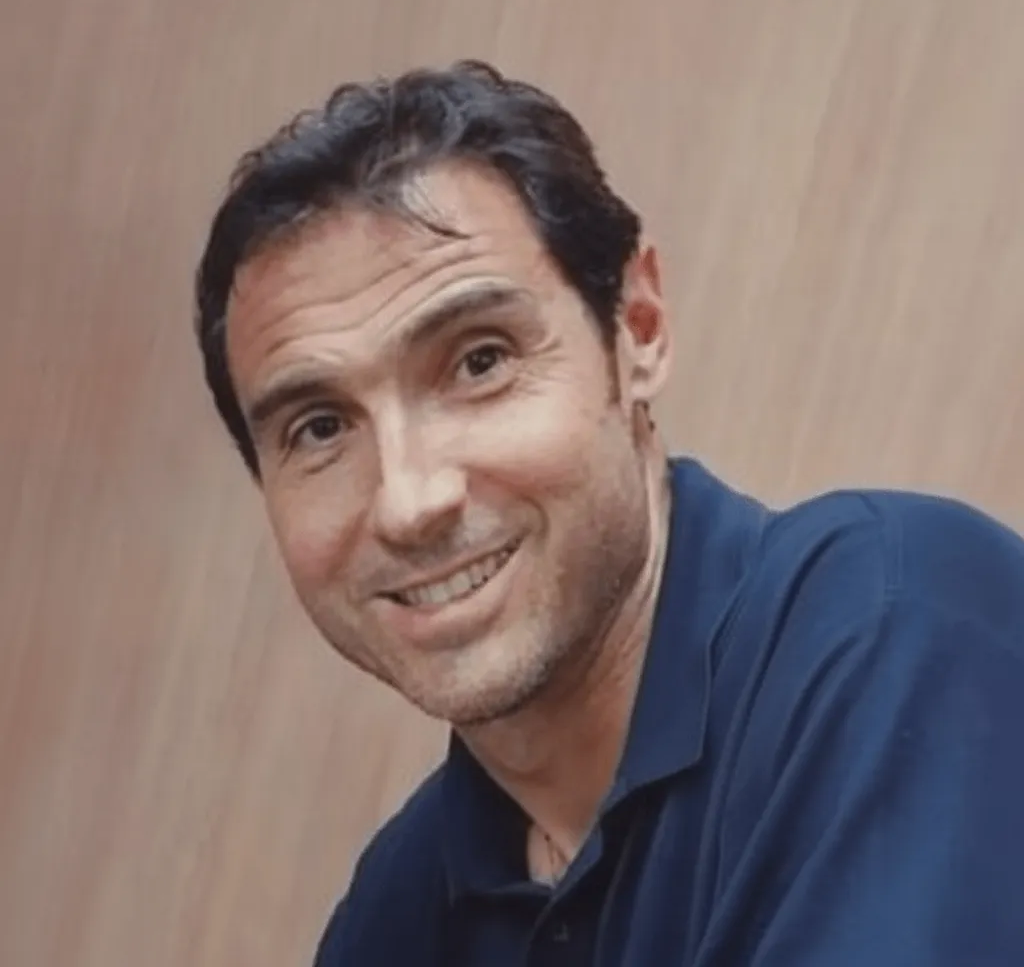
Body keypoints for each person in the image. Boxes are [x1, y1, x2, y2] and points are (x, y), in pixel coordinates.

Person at [193, 60, 1024, 966]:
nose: (410, 502)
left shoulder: (892, 624)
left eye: (479, 362)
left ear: (638, 328)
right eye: (319, 428)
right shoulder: (394, 916)